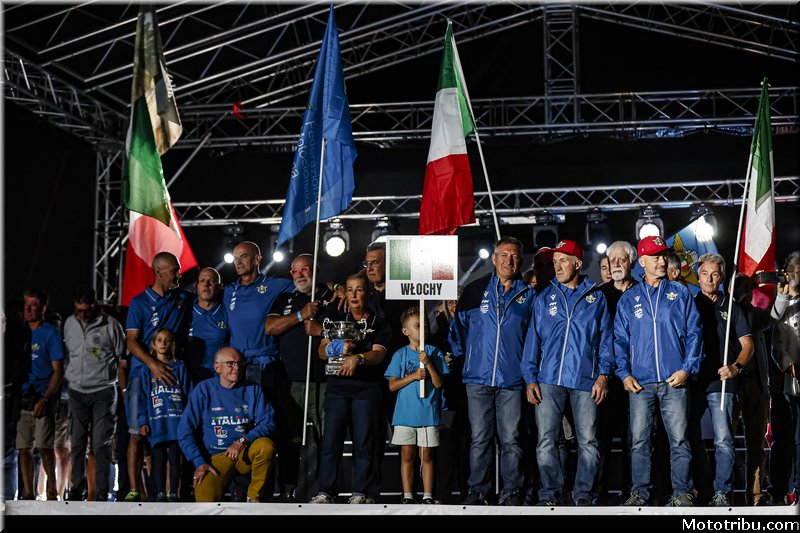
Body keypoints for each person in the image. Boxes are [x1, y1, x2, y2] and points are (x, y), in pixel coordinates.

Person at [522, 240, 614, 506]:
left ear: (578, 264)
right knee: (546, 441)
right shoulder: (544, 298)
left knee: (588, 441)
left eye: (563, 261)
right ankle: (550, 494)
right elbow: (533, 341)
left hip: (585, 380)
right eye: (555, 262)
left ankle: (583, 494)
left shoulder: (596, 298)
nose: (558, 266)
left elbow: (606, 341)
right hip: (549, 379)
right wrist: (530, 378)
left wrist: (603, 376)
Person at [614, 236, 703, 507]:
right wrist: (624, 374)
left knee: (679, 440)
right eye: (655, 256)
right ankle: (640, 492)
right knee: (639, 441)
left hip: (674, 381)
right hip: (640, 383)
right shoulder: (629, 299)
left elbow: (695, 333)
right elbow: (620, 340)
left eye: (664, 255)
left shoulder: (680, 293)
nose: (662, 261)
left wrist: (687, 369)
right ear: (642, 261)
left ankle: (682, 492)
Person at [449, 236, 535, 506]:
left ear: (521, 261)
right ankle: (478, 490)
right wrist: (469, 360)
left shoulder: (529, 295)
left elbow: (534, 338)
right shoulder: (475, 290)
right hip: (478, 378)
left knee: (511, 439)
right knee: (480, 439)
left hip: (512, 379)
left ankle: (512, 490)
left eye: (515, 256)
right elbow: (458, 330)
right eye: (504, 255)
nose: (509, 261)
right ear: (494, 258)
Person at [310, 271, 390, 504]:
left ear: (369, 293)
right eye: (351, 290)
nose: (354, 295)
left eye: (360, 290)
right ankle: (325, 491)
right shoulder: (335, 318)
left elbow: (378, 354)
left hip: (366, 389)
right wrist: (338, 349)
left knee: (364, 443)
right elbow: (321, 351)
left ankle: (360, 492)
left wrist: (358, 358)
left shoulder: (379, 322)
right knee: (330, 442)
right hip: (337, 389)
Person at [124, 251, 193, 501]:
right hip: (142, 375)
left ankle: (168, 491)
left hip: (171, 376)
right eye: (174, 270)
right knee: (137, 433)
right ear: (159, 272)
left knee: (171, 435)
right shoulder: (139, 303)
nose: (179, 274)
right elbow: (131, 341)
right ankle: (135, 489)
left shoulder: (182, 299)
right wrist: (152, 364)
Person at [264, 253, 333, 502]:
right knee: (290, 438)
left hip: (324, 381)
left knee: (327, 439)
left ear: (316, 270)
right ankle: (287, 489)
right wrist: (301, 315)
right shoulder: (286, 298)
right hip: (292, 382)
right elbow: (270, 327)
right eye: (295, 271)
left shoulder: (331, 295)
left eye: (305, 269)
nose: (300, 275)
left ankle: (326, 490)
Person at [690, 253, 754, 506]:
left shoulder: (732, 307)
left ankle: (722, 493)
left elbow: (747, 344)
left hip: (722, 382)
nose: (709, 279)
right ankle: (703, 487)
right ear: (697, 276)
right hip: (693, 381)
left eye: (714, 274)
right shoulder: (689, 303)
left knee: (723, 440)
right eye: (704, 274)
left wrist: (736, 367)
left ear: (722, 277)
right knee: (686, 437)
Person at [177, 347, 276, 502]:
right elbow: (184, 431)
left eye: (239, 363)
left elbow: (269, 422)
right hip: (214, 458)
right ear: (217, 367)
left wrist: (242, 441)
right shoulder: (204, 389)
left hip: (243, 454)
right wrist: (199, 462)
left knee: (266, 446)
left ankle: (254, 499)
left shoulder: (253, 389)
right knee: (205, 505)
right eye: (230, 363)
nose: (236, 367)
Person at [63, 285, 124, 501]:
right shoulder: (69, 324)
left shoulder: (111, 325)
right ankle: (76, 489)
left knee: (100, 444)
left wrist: (122, 389)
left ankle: (100, 492)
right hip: (77, 392)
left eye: (86, 310)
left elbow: (121, 358)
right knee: (77, 443)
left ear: (94, 305)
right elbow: (70, 355)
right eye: (78, 310)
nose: (82, 315)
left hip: (103, 391)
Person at [385, 307, 448, 504]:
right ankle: (408, 495)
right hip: (405, 415)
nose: (423, 329)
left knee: (426, 455)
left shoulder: (434, 352)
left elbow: (438, 383)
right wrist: (412, 376)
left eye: (425, 325)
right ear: (406, 331)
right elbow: (392, 385)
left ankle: (428, 495)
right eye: (418, 326)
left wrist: (428, 363)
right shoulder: (400, 355)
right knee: (407, 454)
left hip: (428, 413)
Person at [596, 240, 638, 503]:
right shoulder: (599, 295)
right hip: (606, 379)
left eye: (622, 260)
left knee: (634, 440)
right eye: (613, 261)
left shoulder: (643, 292)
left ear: (632, 262)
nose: (617, 265)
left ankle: (632, 492)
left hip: (635, 378)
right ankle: (598, 494)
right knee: (600, 439)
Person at [16, 288, 64, 501]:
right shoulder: (20, 332)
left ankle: (52, 492)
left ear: (43, 308)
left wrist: (46, 398)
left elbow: (58, 371)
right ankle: (28, 493)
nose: (28, 309)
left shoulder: (51, 333)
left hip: (44, 395)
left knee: (44, 446)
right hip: (23, 396)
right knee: (23, 447)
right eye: (26, 305)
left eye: (33, 305)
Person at [137, 328, 190, 502]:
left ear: (172, 344)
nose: (163, 344)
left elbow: (188, 394)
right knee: (158, 458)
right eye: (159, 340)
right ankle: (159, 493)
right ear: (153, 344)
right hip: (157, 422)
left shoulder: (180, 367)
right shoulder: (146, 370)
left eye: (167, 340)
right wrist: (142, 421)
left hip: (177, 422)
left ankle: (173, 492)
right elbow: (142, 398)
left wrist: (188, 420)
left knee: (175, 458)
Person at [767, 251, 800, 505]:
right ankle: (779, 489)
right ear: (788, 275)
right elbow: (776, 342)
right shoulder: (782, 304)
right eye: (796, 272)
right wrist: (788, 364)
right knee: (784, 437)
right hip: (786, 382)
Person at [186, 267, 229, 385]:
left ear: (220, 287)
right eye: (202, 280)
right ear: (196, 286)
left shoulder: (227, 312)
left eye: (211, 281)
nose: (206, 284)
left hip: (219, 378)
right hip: (191, 378)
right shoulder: (185, 311)